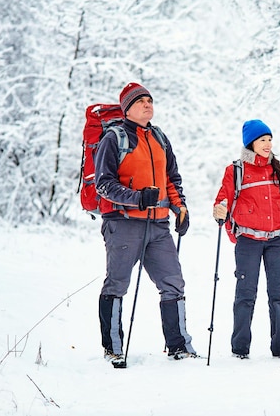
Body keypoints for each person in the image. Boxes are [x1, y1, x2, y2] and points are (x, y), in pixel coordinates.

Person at [94, 82, 196, 366]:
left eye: (150, 100)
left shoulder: (160, 137)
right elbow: (103, 184)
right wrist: (136, 198)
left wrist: (180, 207)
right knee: (117, 284)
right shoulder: (113, 138)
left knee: (173, 283)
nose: (148, 104)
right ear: (127, 108)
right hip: (123, 224)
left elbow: (171, 179)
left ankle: (179, 347)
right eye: (141, 101)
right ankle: (113, 348)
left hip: (159, 226)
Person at [212, 119, 280, 359]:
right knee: (246, 295)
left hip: (277, 240)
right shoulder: (236, 171)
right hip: (248, 240)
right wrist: (219, 210)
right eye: (263, 140)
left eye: (270, 139)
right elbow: (223, 201)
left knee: (279, 295)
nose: (268, 144)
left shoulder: (277, 168)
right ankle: (240, 349)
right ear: (251, 143)